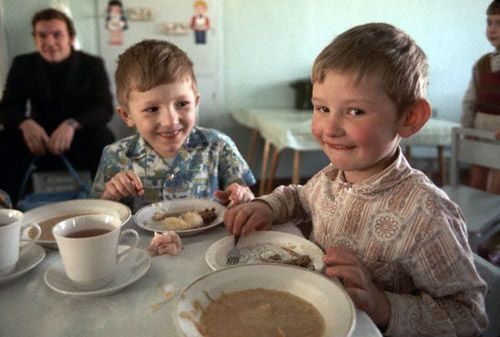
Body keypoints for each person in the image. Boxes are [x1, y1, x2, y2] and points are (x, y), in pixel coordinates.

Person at [224, 23, 488, 336]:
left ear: (409, 118)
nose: (330, 127)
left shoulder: (426, 214)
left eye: (355, 111)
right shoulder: (330, 178)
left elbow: (469, 316)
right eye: (322, 107)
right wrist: (268, 206)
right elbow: (299, 197)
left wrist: (382, 305)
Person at [90, 40, 255, 212]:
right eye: (152, 109)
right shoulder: (115, 157)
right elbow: (97, 216)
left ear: (196, 102)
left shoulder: (219, 146)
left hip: (210, 239)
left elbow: (247, 199)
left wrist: (243, 197)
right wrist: (110, 195)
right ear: (127, 115)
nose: (170, 121)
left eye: (182, 104)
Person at [0, 8, 115, 204]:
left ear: (70, 37)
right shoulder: (23, 64)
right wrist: (25, 124)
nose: (49, 42)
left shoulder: (92, 64)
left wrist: (73, 124)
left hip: (80, 136)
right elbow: (7, 108)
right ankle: (12, 209)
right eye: (42, 35)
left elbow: (104, 108)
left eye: (57, 34)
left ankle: (106, 204)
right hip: (38, 139)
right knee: (4, 142)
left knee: (105, 140)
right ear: (35, 38)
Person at [461, 0, 500, 194]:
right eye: (489, 23)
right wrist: (466, 128)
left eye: (499, 24)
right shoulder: (481, 64)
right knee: (476, 184)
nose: (492, 30)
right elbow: (470, 99)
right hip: (479, 130)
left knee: (495, 189)